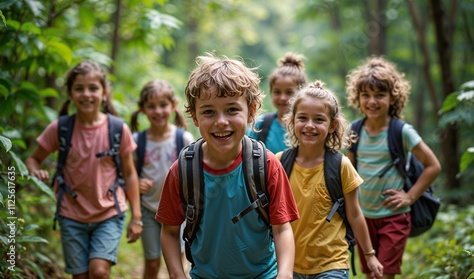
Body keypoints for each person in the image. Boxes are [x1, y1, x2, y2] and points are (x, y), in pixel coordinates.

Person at [155, 53, 300, 279]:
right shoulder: (183, 170)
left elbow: (282, 229)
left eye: (232, 109)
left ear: (250, 111)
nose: (221, 121)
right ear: (194, 116)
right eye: (209, 111)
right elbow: (170, 231)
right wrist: (176, 274)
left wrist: (285, 273)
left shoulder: (266, 164)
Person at [25, 60, 142, 279]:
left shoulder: (117, 129)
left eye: (93, 88)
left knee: (98, 272)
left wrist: (136, 217)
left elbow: (129, 173)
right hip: (71, 214)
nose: (86, 94)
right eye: (79, 88)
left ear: (105, 92)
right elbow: (33, 159)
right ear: (69, 93)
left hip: (109, 212)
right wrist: (35, 171)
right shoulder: (60, 128)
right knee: (80, 276)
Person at [345, 56, 441, 279]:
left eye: (380, 95)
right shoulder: (354, 130)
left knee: (385, 274)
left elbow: (433, 166)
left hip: (394, 217)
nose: (372, 101)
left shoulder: (402, 132)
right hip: (363, 217)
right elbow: (349, 171)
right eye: (366, 95)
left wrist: (409, 197)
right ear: (357, 98)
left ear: (392, 97)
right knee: (370, 273)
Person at [277, 80, 384, 279]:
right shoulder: (279, 162)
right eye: (303, 118)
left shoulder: (341, 166)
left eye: (319, 120)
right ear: (292, 121)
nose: (310, 125)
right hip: (289, 264)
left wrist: (369, 255)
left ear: (332, 125)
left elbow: (355, 215)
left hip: (331, 263)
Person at [130, 80, 194, 279]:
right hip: (149, 211)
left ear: (173, 106)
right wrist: (135, 185)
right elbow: (127, 175)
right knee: (152, 262)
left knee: (179, 262)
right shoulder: (136, 141)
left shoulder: (184, 139)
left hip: (180, 213)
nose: (158, 111)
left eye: (163, 105)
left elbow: (193, 176)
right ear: (142, 110)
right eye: (151, 106)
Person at [247, 52, 307, 153]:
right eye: (277, 92)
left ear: (301, 94)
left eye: (289, 92)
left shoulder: (307, 127)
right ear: (271, 92)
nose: (283, 98)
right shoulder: (260, 125)